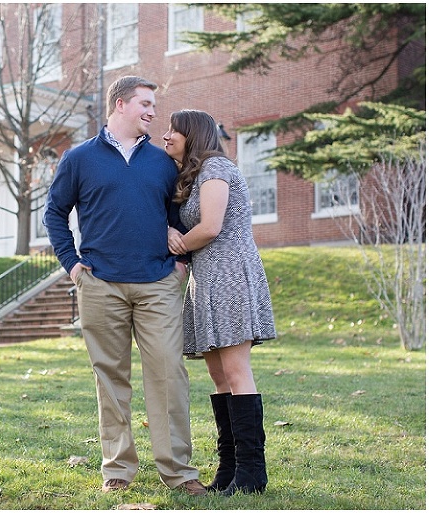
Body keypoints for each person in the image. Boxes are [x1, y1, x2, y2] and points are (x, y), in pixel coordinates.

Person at [43, 76, 205, 496]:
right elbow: (55, 213)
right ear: (120, 104)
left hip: (158, 283)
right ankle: (117, 467)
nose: (153, 112)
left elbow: (179, 216)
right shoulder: (78, 158)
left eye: (154, 105)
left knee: (169, 373)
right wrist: (73, 266)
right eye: (145, 104)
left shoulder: (162, 163)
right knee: (110, 379)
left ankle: (179, 472)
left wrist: (181, 261)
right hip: (100, 284)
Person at [164, 109, 276, 496]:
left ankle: (251, 473)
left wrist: (176, 241)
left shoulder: (215, 168)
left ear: (191, 134)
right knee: (217, 375)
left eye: (173, 131)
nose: (166, 136)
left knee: (235, 369)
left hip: (229, 273)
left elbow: (210, 227)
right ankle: (230, 469)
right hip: (206, 278)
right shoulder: (192, 176)